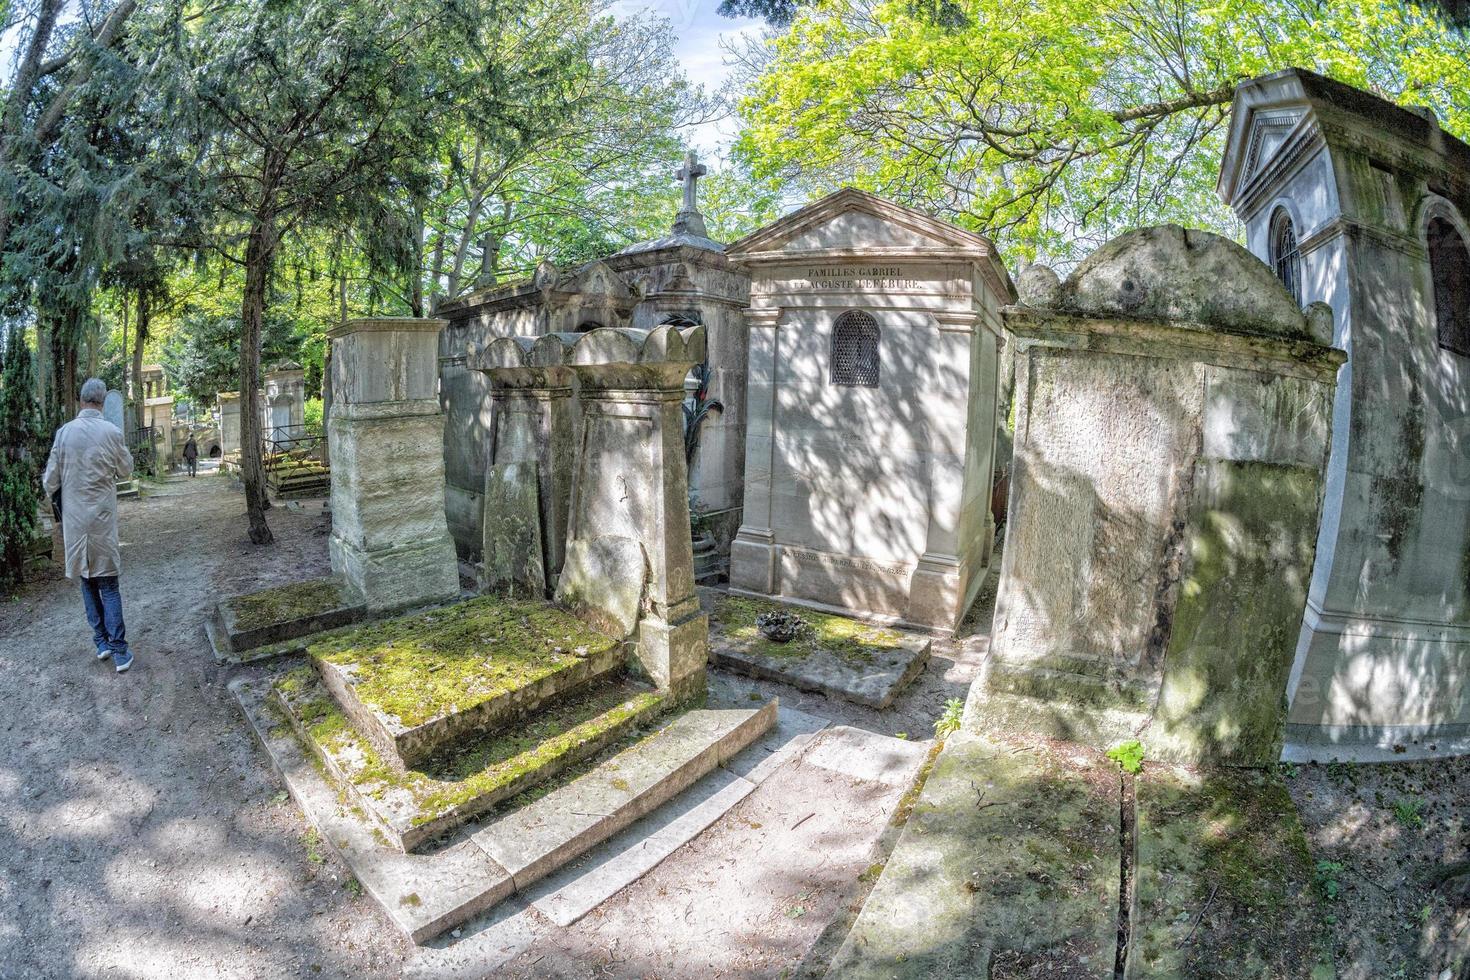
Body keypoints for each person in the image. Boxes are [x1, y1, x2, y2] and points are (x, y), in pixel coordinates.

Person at [42, 378, 136, 673]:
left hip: (75, 521)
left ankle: (101, 643)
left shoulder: (64, 433)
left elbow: (50, 481)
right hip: (102, 521)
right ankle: (120, 652)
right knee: (108, 583)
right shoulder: (111, 432)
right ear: (103, 401)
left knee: (86, 580)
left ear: (81, 400)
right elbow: (126, 470)